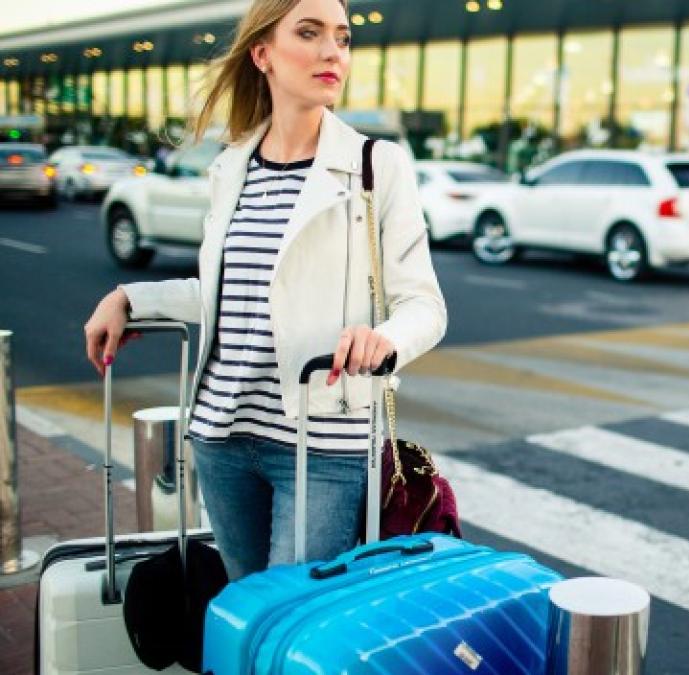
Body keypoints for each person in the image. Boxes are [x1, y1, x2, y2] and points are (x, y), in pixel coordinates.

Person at [82, 0, 447, 581]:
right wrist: (130, 299)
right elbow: (231, 294)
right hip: (222, 434)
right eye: (310, 33)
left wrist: (382, 339)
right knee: (242, 614)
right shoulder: (232, 167)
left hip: (323, 442)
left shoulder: (376, 165)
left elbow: (424, 305)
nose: (332, 52)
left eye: (343, 38)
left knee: (284, 616)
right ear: (263, 54)